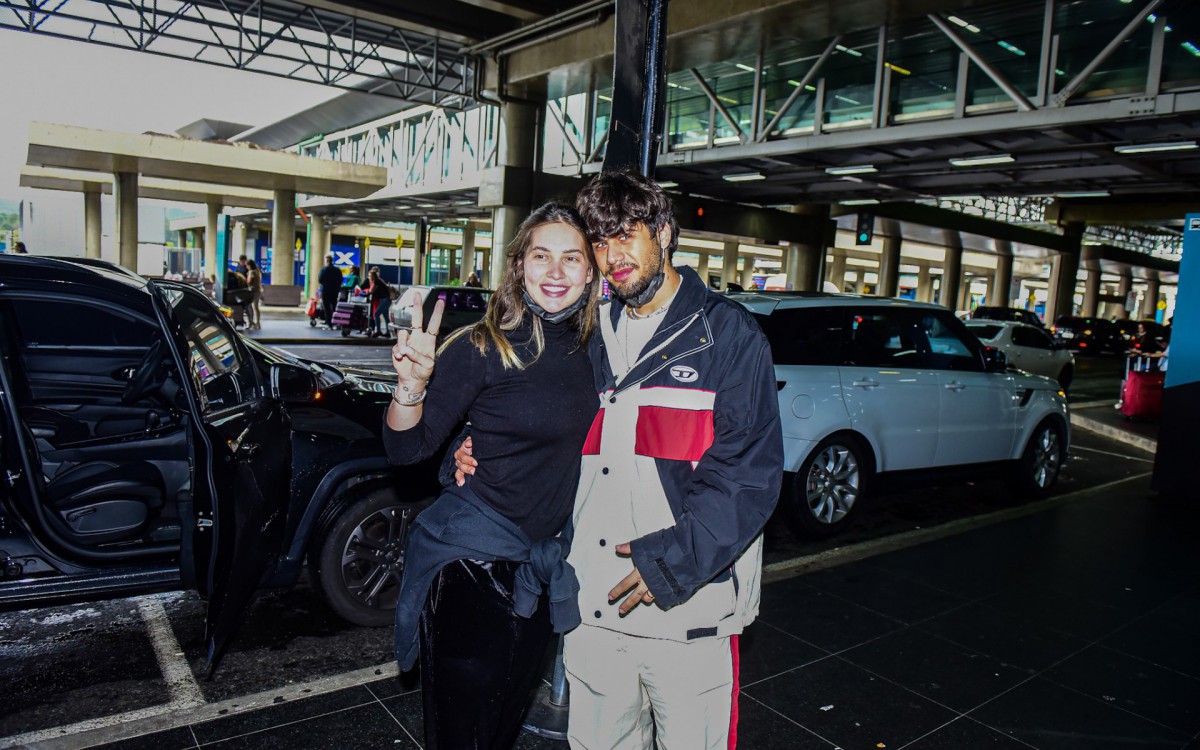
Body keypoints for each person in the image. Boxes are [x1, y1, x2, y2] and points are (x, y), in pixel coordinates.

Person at [456, 169, 783, 749]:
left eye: (626, 236)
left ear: (664, 232)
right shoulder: (589, 332)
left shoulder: (727, 336)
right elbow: (532, 419)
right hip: (592, 606)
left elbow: (747, 477)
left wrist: (671, 563)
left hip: (688, 608)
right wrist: (470, 447)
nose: (613, 257)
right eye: (601, 243)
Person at [384, 203, 600, 750]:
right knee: (463, 734)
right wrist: (410, 388)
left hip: (539, 565)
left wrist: (462, 446)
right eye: (541, 256)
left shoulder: (598, 351)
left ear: (591, 271)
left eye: (571, 259)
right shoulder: (483, 346)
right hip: (471, 567)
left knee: (501, 725)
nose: (555, 272)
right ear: (519, 267)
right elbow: (406, 448)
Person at [366, 266, 391, 337]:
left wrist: (367, 291)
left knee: (376, 314)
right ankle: (388, 332)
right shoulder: (380, 280)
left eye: (370, 276)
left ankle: (378, 331)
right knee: (385, 316)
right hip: (386, 300)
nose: (369, 277)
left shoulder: (376, 281)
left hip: (384, 300)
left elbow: (371, 290)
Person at [245, 259, 263, 330]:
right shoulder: (257, 271)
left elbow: (249, 281)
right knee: (256, 308)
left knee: (249, 307)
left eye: (247, 265)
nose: (246, 267)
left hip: (253, 291)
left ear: (249, 265)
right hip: (258, 291)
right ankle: (257, 323)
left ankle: (251, 322)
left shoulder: (251, 272)